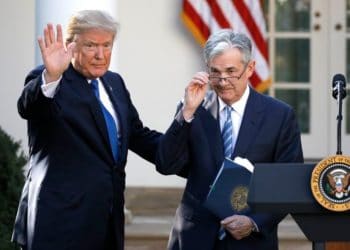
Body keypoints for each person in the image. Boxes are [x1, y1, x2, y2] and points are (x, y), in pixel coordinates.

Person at [12, 10, 161, 250]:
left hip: (106, 222)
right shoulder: (50, 80)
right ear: (71, 46)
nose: (100, 55)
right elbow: (30, 107)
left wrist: (185, 140)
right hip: (59, 224)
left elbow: (137, 135)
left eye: (107, 45)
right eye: (91, 45)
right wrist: (51, 75)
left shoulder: (114, 82)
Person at [156, 30, 303, 250]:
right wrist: (186, 113)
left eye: (231, 71)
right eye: (215, 72)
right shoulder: (194, 109)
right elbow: (166, 164)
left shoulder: (279, 116)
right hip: (194, 238)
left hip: (250, 241)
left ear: (250, 68)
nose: (223, 81)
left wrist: (254, 221)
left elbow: (289, 182)